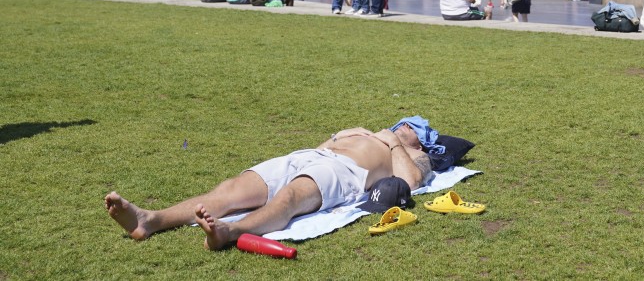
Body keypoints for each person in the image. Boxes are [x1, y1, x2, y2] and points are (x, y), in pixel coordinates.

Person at [104, 122, 432, 251]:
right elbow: (320, 146)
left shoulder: (414, 153)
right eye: (401, 124)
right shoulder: (368, 131)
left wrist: (393, 143)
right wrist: (340, 134)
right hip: (312, 155)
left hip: (345, 172)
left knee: (290, 197)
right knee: (231, 189)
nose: (404, 126)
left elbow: (412, 182)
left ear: (421, 140)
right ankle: (151, 220)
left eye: (411, 127)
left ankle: (228, 232)